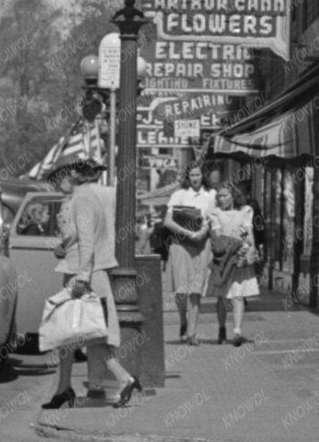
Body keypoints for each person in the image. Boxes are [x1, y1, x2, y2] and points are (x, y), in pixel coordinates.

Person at [44, 157, 139, 409]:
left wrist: (83, 277)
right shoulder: (78, 198)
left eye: (58, 177)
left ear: (73, 174)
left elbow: (87, 240)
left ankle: (122, 379)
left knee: (89, 332)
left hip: (86, 274)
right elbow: (79, 237)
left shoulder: (83, 198)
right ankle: (64, 388)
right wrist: (63, 247)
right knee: (70, 332)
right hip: (79, 270)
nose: (55, 183)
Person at [160, 164, 217, 345]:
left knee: (196, 290)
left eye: (198, 174)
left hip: (202, 244)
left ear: (203, 176)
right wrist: (188, 233)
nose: (194, 178)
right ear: (187, 176)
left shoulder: (211, 195)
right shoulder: (179, 195)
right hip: (181, 244)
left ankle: (192, 331)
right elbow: (168, 221)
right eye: (191, 174)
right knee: (181, 289)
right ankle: (183, 320)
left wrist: (202, 231)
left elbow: (214, 218)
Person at [208, 181, 261, 346]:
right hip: (223, 259)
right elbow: (217, 236)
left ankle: (237, 331)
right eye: (219, 196)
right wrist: (232, 244)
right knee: (222, 297)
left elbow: (248, 233)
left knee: (238, 295)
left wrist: (248, 250)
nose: (221, 198)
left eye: (225, 195)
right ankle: (222, 328)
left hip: (239, 257)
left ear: (233, 196)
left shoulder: (245, 211)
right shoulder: (215, 213)